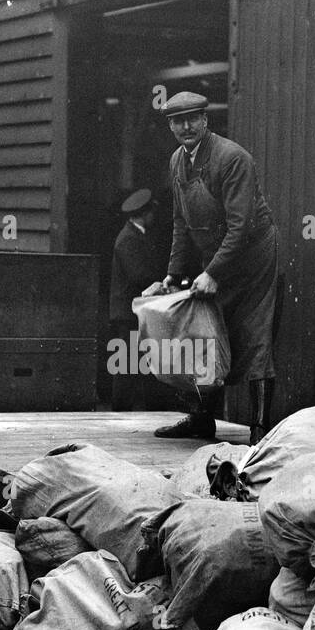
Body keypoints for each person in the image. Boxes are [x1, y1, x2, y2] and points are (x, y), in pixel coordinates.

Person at [145, 91, 279, 443]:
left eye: (193, 118)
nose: (186, 126)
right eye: (178, 121)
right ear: (171, 125)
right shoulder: (177, 160)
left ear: (206, 120)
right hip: (215, 257)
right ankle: (201, 419)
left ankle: (259, 430)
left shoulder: (233, 159)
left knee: (254, 335)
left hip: (251, 259)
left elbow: (242, 226)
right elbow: (180, 221)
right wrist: (173, 274)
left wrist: (213, 273)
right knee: (205, 334)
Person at [108, 188, 172, 410]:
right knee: (126, 366)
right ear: (144, 213)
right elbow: (138, 276)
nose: (154, 216)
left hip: (134, 311)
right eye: (151, 212)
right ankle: (119, 412)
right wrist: (160, 282)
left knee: (134, 364)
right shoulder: (128, 239)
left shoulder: (137, 235)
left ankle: (128, 410)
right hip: (128, 313)